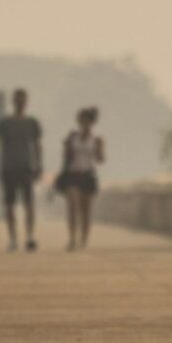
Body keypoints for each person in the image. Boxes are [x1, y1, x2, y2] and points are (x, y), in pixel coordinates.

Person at [0, 89, 43, 252]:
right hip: (9, 167)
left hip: (26, 167)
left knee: (29, 203)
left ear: (26, 102)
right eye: (17, 100)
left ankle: (30, 236)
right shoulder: (4, 123)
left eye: (22, 100)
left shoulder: (32, 123)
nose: (20, 103)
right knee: (9, 205)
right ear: (13, 101)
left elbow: (37, 146)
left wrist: (39, 165)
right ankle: (13, 238)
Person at [56, 107, 105, 251]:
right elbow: (65, 157)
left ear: (92, 122)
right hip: (73, 175)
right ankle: (72, 238)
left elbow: (100, 159)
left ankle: (83, 239)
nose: (84, 123)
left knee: (85, 210)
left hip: (87, 175)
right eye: (82, 120)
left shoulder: (96, 139)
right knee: (72, 206)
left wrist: (99, 149)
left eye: (87, 120)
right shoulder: (72, 137)